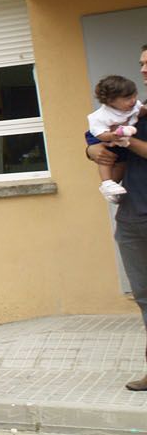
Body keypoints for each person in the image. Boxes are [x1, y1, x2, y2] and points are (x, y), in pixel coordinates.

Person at [85, 44, 147, 391]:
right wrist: (94, 147)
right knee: (145, 297)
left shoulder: (137, 115)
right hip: (134, 216)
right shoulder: (127, 113)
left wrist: (127, 139)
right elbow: (97, 144)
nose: (143, 69)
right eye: (141, 63)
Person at [89, 74, 141, 201]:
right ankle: (106, 182)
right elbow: (99, 134)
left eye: (134, 95)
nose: (133, 100)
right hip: (102, 136)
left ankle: (113, 186)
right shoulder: (102, 116)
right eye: (128, 98)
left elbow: (140, 111)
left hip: (122, 138)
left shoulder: (133, 106)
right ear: (111, 101)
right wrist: (112, 136)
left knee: (121, 163)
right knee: (107, 158)